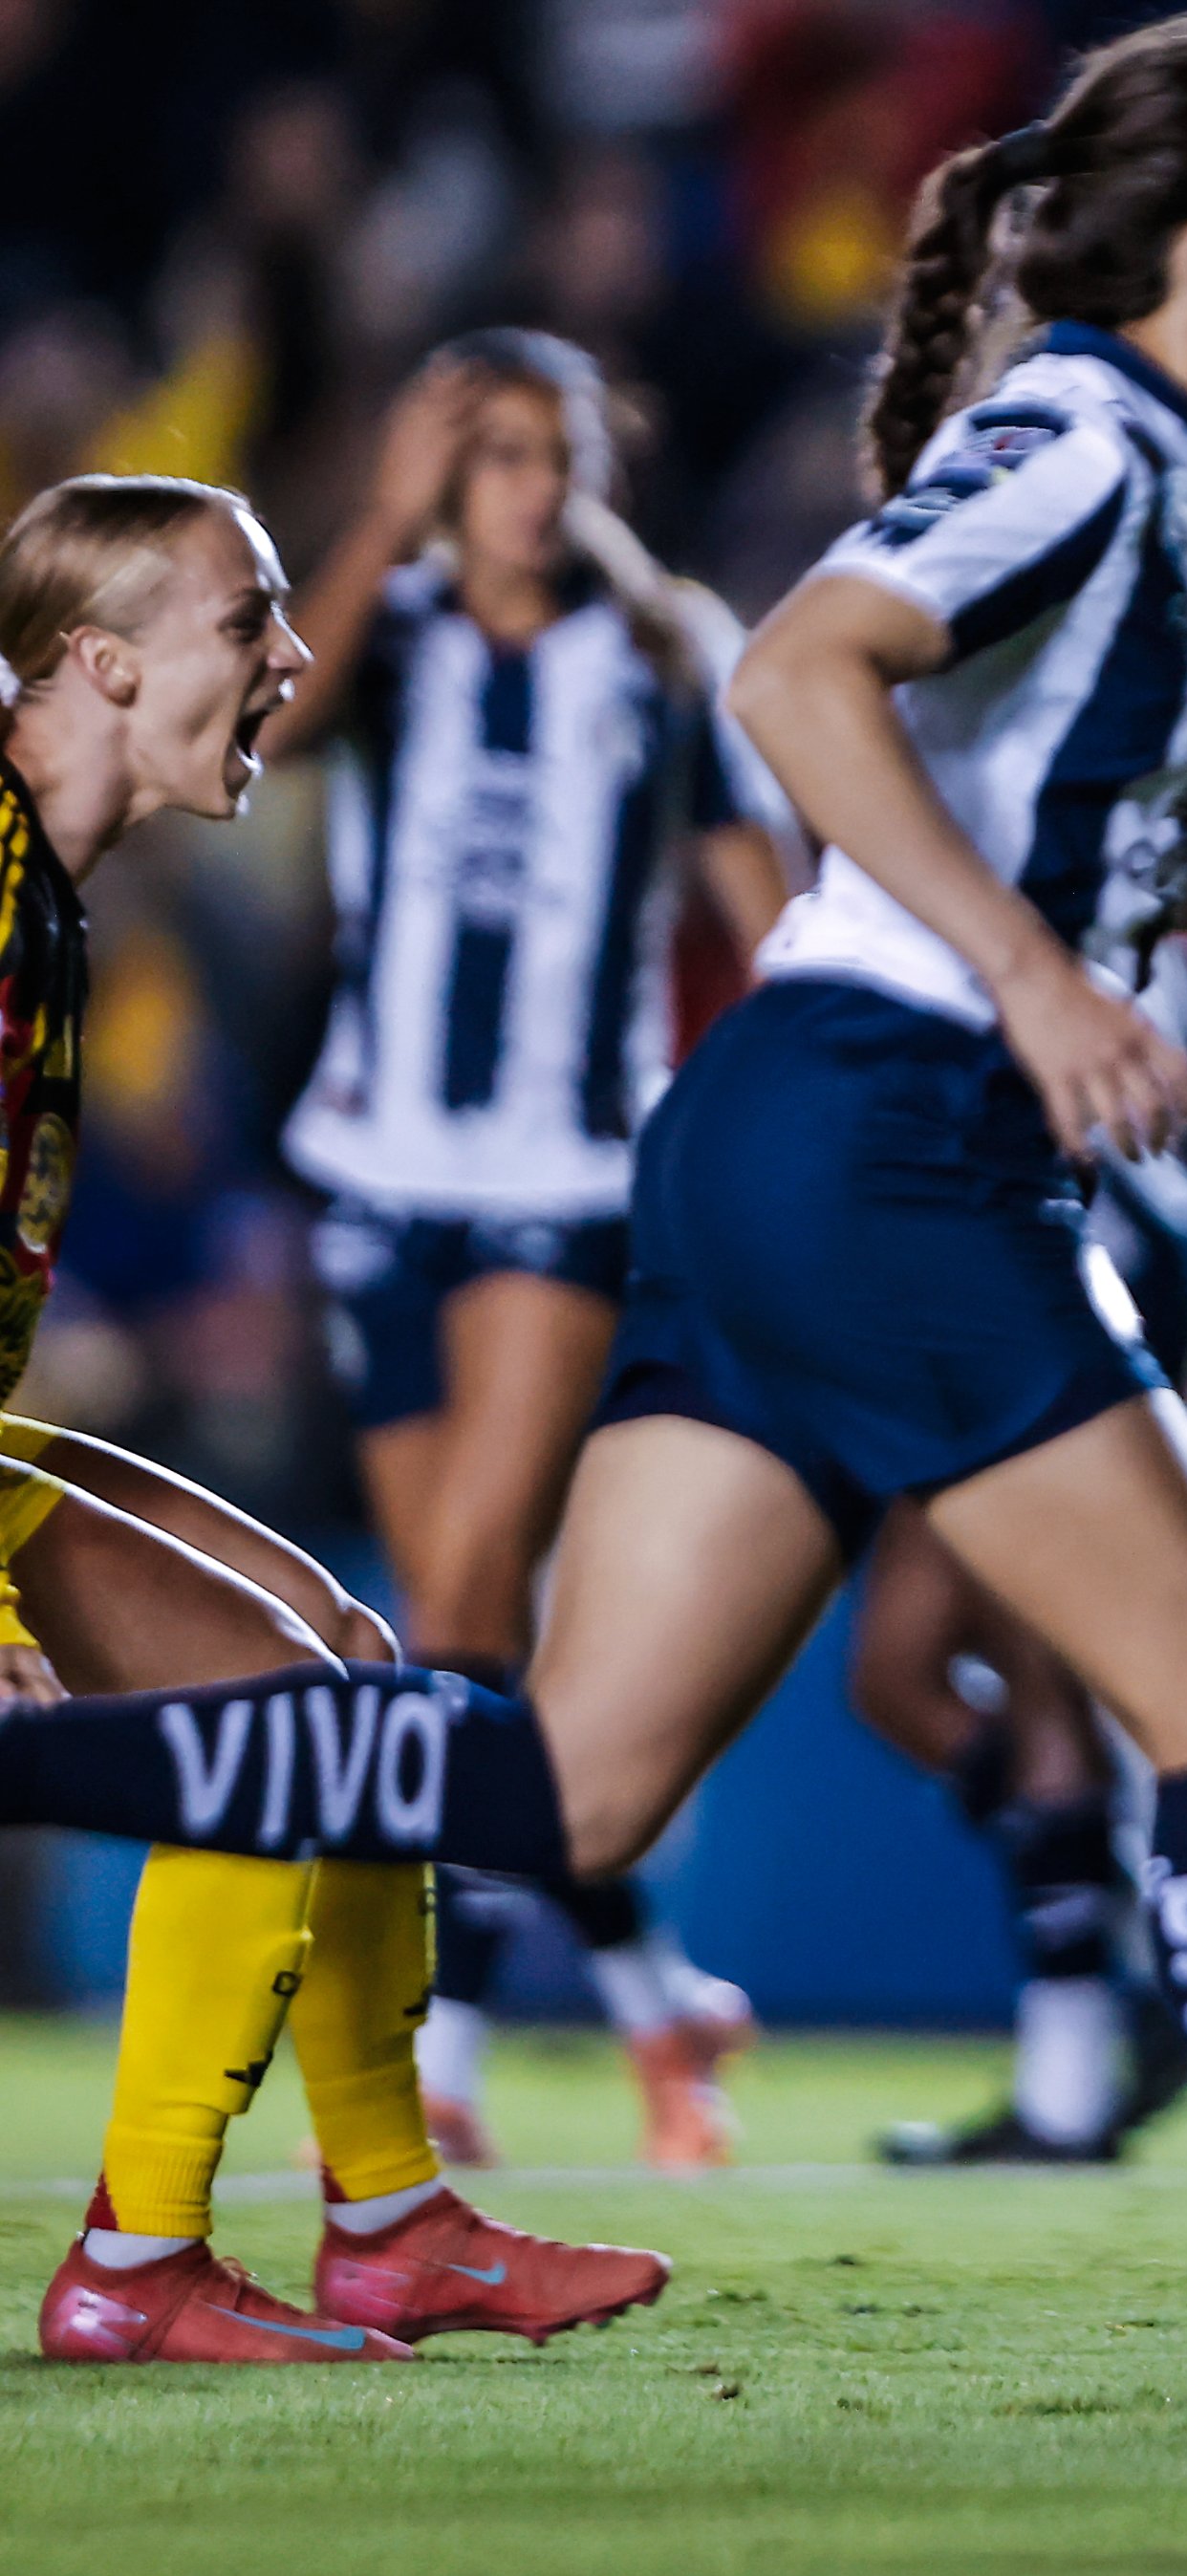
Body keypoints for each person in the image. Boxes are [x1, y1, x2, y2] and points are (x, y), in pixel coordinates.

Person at [0, 16, 1187, 2502]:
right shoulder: (1091, 436)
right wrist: (1035, 977)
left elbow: (970, 811)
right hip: (891, 1144)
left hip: (788, 1138)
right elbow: (800, 673)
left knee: (562, 1785)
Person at [0, 474, 664, 2364]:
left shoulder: (46, 892)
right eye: (250, 616)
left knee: (350, 1679)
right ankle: (138, 2271)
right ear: (106, 662)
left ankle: (389, 2222)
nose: (297, 655)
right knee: (292, 1731)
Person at [267, 328, 794, 2172]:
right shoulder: (387, 627)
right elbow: (276, 731)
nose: (523, 485)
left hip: (567, 1178)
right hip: (374, 1167)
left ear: (599, 467)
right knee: (458, 1649)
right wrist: (376, 516)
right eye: (484, 454)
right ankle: (661, 2001)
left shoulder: (667, 653)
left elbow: (768, 900)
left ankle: (450, 2047)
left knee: (475, 1597)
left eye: (548, 450)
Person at [858, 1024, 1187, 2169]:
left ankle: (1066, 2082)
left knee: (1036, 1666)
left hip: (1046, 1254)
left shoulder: (1041, 892)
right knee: (897, 1675)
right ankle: (1143, 1958)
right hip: (989, 1253)